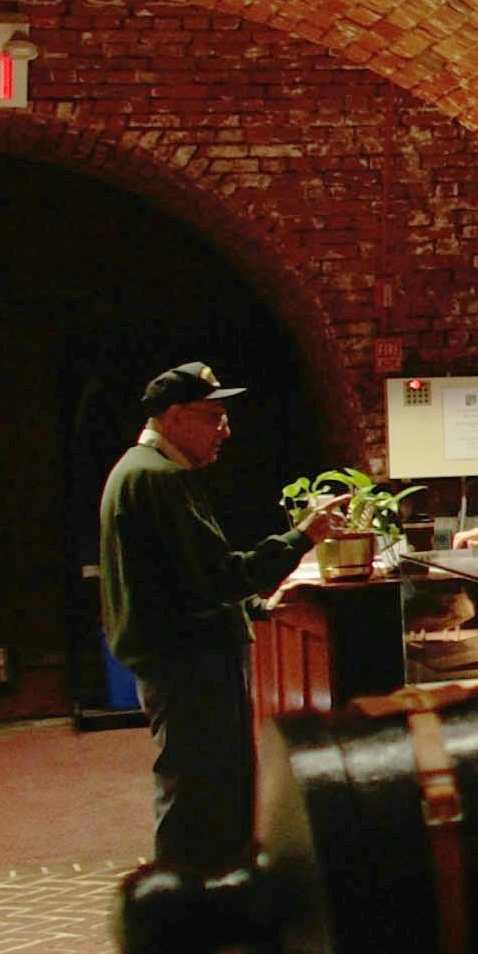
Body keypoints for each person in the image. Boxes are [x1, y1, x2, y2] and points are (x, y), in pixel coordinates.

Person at [99, 361, 345, 871]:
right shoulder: (159, 478)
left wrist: (252, 604)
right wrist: (303, 536)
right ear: (173, 416)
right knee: (200, 790)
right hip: (188, 660)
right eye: (214, 417)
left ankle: (204, 898)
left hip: (179, 654)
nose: (225, 431)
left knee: (203, 784)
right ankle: (189, 906)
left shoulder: (143, 472)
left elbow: (178, 580)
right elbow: (219, 576)